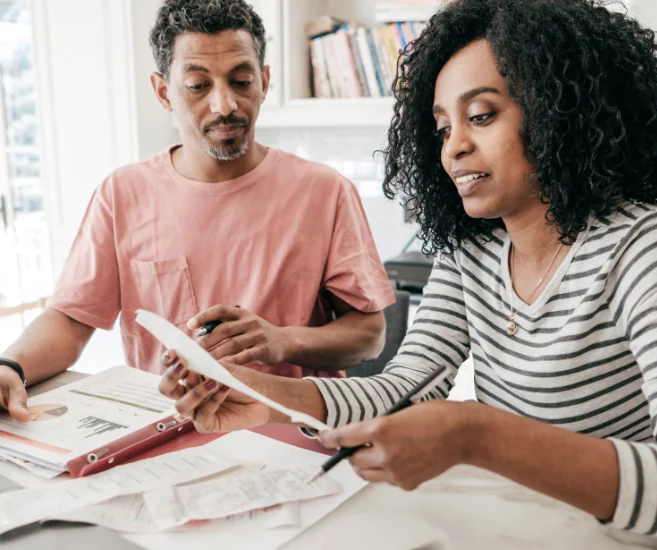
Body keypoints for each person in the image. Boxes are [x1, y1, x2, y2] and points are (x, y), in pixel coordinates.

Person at [159, 0, 657, 542]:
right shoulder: (473, 251)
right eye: (441, 129)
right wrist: (268, 397)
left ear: (562, 110)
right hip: (508, 526)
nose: (454, 147)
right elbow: (408, 386)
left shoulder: (647, 249)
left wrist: (475, 434)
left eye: (481, 116)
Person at [0, 0, 394, 422]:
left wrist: (282, 341)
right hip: (167, 437)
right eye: (198, 85)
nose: (225, 105)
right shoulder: (122, 193)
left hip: (296, 437)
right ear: (163, 91)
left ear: (264, 81)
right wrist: (11, 367)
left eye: (241, 81)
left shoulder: (326, 192)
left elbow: (369, 337)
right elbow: (71, 319)